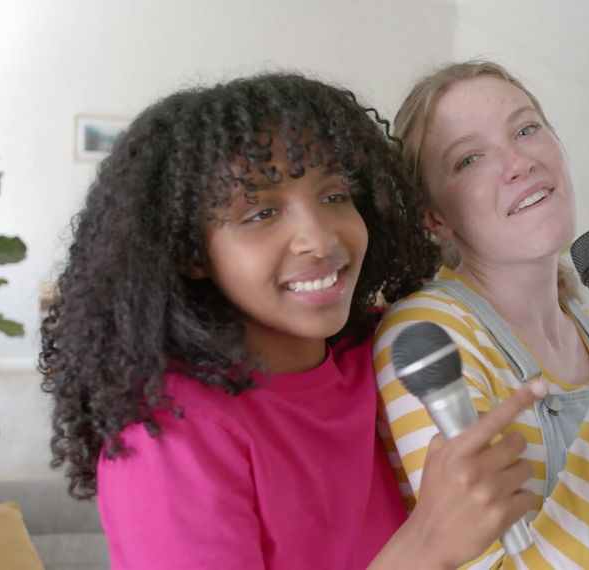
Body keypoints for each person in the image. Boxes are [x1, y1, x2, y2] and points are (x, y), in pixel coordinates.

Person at [39, 72, 548, 570]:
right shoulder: (169, 433)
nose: (321, 239)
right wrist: (427, 545)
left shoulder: (389, 346)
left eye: (334, 197)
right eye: (260, 213)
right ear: (190, 252)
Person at [374, 60, 589, 569]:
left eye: (526, 128)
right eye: (469, 159)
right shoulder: (428, 340)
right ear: (434, 217)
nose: (518, 161)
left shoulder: (584, 320)